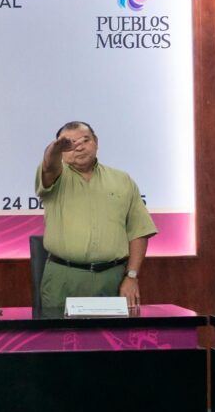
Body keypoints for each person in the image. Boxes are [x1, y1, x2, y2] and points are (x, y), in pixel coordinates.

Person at [36, 121, 158, 313]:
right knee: (61, 332)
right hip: (64, 278)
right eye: (69, 144)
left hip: (113, 278)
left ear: (96, 142)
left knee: (112, 333)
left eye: (85, 140)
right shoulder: (56, 177)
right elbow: (49, 166)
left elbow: (139, 231)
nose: (79, 147)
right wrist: (54, 148)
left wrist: (132, 276)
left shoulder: (122, 180)